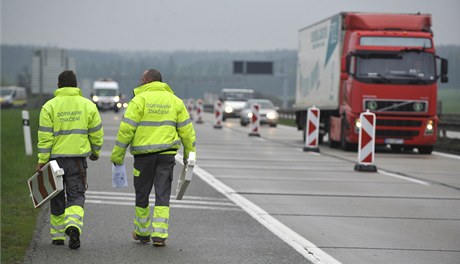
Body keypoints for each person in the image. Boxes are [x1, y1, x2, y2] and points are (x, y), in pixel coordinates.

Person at [111, 69, 196, 247]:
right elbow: (187, 132)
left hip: (144, 157)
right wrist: (189, 156)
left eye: (142, 79)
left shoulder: (139, 100)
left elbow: (127, 129)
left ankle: (142, 233)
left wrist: (118, 155)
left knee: (142, 193)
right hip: (166, 156)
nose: (140, 82)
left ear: (147, 80)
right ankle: (159, 235)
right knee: (162, 193)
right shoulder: (175, 101)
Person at [36, 70, 104, 249]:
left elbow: (45, 137)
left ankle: (57, 235)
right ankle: (73, 226)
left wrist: (42, 160)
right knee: (76, 195)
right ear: (76, 84)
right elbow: (97, 134)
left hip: (54, 161)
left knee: (56, 195)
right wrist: (95, 152)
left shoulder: (49, 107)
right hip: (77, 162)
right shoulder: (87, 106)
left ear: (58, 85)